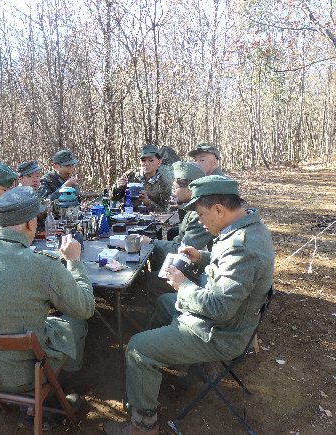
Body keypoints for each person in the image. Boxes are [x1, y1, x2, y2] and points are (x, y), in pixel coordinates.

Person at [104, 175, 274, 435]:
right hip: (226, 320)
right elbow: (228, 268)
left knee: (138, 348)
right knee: (164, 302)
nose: (200, 221)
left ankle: (143, 426)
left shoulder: (242, 248)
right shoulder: (248, 227)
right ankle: (156, 366)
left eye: (201, 215)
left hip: (221, 333)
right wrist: (202, 257)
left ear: (219, 209)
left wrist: (182, 284)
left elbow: (220, 308)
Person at [0, 186, 94, 398]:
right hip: (26, 376)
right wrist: (74, 261)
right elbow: (85, 308)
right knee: (77, 322)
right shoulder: (45, 265)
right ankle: (59, 388)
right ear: (31, 223)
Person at [139, 162, 211, 297]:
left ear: (189, 189)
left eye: (175, 187)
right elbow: (180, 238)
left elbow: (184, 250)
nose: (173, 191)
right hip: (189, 266)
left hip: (196, 275)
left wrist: (152, 242)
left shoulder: (199, 214)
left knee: (143, 282)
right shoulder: (193, 208)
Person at [112, 144, 172, 212]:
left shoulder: (164, 183)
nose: (146, 164)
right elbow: (113, 198)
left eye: (151, 160)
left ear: (159, 162)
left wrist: (147, 202)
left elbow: (164, 210)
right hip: (127, 215)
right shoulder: (130, 175)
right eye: (143, 160)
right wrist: (118, 188)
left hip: (151, 217)